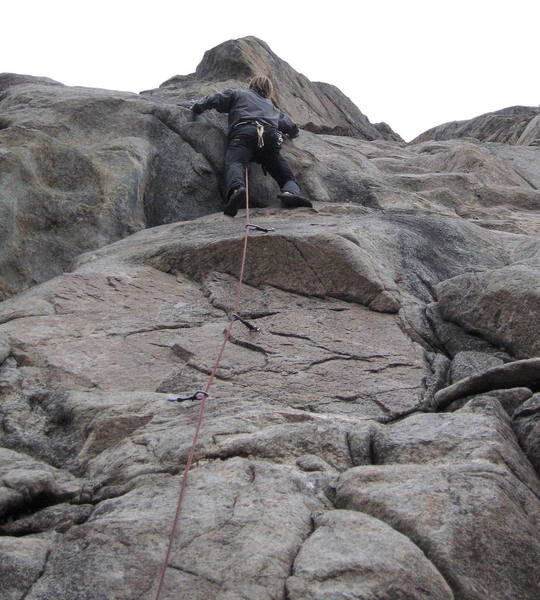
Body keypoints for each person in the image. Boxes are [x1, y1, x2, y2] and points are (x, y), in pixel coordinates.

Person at [191, 75, 312, 217]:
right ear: (268, 90)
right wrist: (293, 133)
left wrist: (197, 107)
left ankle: (237, 189)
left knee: (235, 162)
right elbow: (291, 127)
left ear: (252, 85)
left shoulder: (238, 94)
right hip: (270, 138)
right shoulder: (271, 107)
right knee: (283, 173)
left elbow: (215, 99)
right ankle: (290, 192)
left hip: (244, 133)